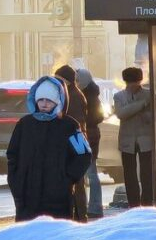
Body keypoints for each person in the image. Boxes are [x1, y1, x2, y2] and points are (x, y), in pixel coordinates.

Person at [6, 75, 93, 222]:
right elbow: (12, 155)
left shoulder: (69, 126)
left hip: (58, 201)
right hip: (27, 199)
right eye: (41, 100)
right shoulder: (24, 125)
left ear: (58, 101)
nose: (44, 104)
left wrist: (66, 178)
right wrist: (16, 182)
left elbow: (84, 155)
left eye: (49, 100)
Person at [113, 66, 154, 207]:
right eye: (130, 82)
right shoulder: (119, 96)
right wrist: (142, 105)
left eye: (135, 82)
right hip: (127, 139)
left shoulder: (150, 94)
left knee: (147, 173)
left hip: (146, 139)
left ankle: (147, 202)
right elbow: (121, 114)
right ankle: (134, 204)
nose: (133, 85)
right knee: (129, 175)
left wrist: (146, 114)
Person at [54, 65, 90, 222]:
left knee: (77, 182)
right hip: (74, 143)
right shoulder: (72, 93)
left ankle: (80, 217)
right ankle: (78, 216)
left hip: (73, 144)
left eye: (59, 78)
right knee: (76, 181)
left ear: (67, 81)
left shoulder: (73, 96)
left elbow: (74, 124)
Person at [76, 67, 105, 219]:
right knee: (86, 172)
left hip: (89, 136)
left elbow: (97, 117)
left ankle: (95, 206)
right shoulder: (87, 94)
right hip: (87, 135)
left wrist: (83, 122)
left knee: (91, 172)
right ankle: (91, 205)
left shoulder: (90, 97)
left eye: (78, 80)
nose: (76, 82)